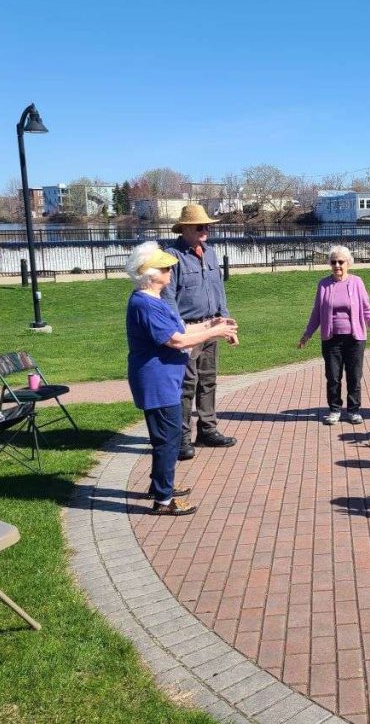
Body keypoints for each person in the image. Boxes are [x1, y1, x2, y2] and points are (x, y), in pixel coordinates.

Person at [125, 242, 238, 516]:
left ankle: (159, 485)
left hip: (164, 381)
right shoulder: (145, 304)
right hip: (157, 382)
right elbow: (176, 341)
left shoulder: (155, 300)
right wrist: (216, 333)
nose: (171, 271)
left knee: (165, 437)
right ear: (151, 274)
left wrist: (210, 324)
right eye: (165, 268)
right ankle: (163, 501)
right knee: (169, 439)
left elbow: (182, 328)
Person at [162, 204, 237, 461]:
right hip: (188, 329)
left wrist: (225, 323)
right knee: (186, 385)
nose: (206, 230)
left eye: (207, 226)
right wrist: (180, 330)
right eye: (200, 226)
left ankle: (208, 430)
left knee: (208, 380)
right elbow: (168, 297)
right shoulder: (171, 257)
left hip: (211, 326)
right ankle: (181, 438)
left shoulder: (211, 253)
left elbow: (219, 291)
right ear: (184, 229)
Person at [298, 245, 370, 424]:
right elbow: (316, 313)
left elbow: (366, 310)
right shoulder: (324, 284)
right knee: (333, 377)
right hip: (331, 339)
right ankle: (334, 410)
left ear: (348, 263)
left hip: (355, 339)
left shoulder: (357, 282)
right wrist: (307, 335)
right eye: (333, 262)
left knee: (354, 376)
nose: (337, 265)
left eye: (341, 262)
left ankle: (353, 410)